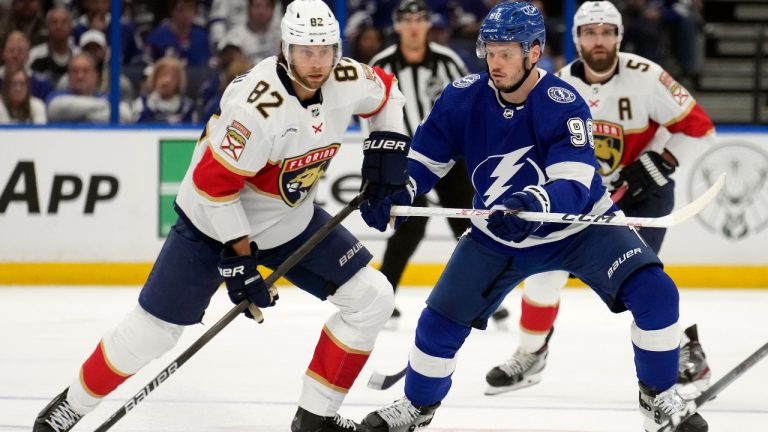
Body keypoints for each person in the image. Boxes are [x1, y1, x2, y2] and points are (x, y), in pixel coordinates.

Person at [33, 1, 410, 431]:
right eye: (307, 50)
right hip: (211, 225)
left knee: (372, 298)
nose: (318, 61)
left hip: (290, 221)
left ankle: (315, 418)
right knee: (154, 333)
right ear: (285, 48)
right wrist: (239, 253)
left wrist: (387, 150)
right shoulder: (255, 109)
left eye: (326, 49)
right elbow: (214, 189)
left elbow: (388, 92)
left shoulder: (345, 75)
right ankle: (69, 408)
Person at [359, 3, 707, 432]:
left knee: (657, 294)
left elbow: (577, 183)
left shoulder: (562, 103)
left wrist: (533, 203)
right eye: (490, 50)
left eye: (508, 51)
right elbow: (427, 158)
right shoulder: (462, 96)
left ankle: (657, 397)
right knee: (438, 321)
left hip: (580, 228)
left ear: (534, 51)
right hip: (498, 234)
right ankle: (417, 406)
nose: (496, 62)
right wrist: (399, 189)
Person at [484, 0, 716, 401]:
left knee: (637, 283)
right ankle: (530, 353)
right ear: (576, 38)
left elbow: (700, 129)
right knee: (543, 274)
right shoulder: (552, 85)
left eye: (607, 32)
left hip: (643, 194)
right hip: (581, 195)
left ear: (619, 37)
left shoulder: (647, 77)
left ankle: (683, 351)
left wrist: (661, 161)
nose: (599, 40)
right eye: (590, 32)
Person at [369, 0, 510, 326]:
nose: (414, 26)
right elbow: (371, 112)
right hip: (402, 158)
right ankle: (384, 298)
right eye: (408, 20)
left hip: (450, 155)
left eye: (420, 19)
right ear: (398, 26)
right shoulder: (382, 63)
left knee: (469, 226)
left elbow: (474, 99)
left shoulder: (447, 60)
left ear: (428, 24)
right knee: (410, 225)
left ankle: (485, 299)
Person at [132, 56, 196, 124]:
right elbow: (137, 129)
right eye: (163, 75)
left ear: (179, 81)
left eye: (172, 77)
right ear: (155, 78)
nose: (167, 81)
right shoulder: (142, 103)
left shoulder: (188, 107)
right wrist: (153, 101)